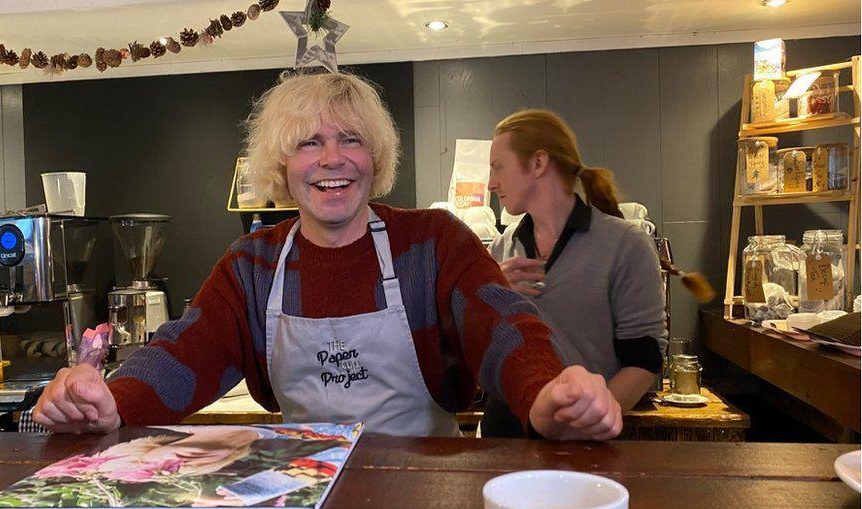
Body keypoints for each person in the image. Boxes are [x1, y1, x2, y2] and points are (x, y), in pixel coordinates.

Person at [32, 72, 622, 441]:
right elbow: (186, 353)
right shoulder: (253, 264)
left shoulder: (433, 243)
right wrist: (110, 401)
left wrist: (546, 394)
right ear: (282, 167)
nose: (331, 158)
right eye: (309, 142)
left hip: (424, 488)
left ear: (377, 158)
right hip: (297, 496)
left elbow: (504, 328)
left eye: (352, 140)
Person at [483, 109, 667, 437]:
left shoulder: (626, 245)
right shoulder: (501, 248)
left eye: (498, 167)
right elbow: (480, 350)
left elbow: (645, 358)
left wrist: (586, 426)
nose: (491, 183)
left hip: (584, 446)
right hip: (504, 439)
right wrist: (487, 293)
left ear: (538, 163)